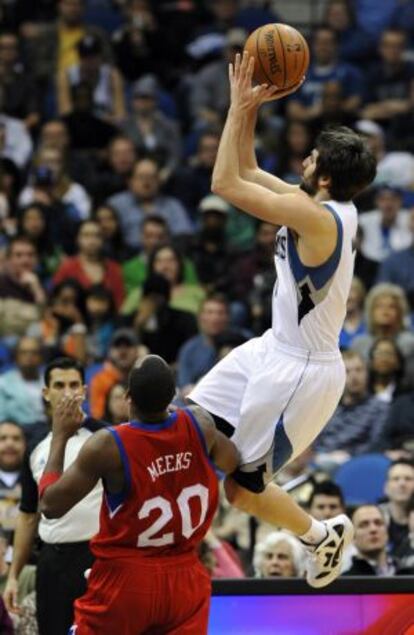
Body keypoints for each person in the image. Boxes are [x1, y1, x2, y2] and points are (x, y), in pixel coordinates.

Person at [189, 51, 377, 587]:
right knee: (191, 424)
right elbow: (246, 170)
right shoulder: (320, 205)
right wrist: (248, 108)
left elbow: (224, 183)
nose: (303, 161)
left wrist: (233, 109)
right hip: (271, 348)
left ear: (322, 175)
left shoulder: (316, 219)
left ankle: (321, 535)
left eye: (312, 158)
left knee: (242, 490)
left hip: (302, 373)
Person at [39, 355, 239, 634]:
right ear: (172, 396)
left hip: (126, 580)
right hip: (185, 576)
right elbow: (232, 462)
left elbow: (50, 505)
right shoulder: (200, 424)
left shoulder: (108, 445)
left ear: (128, 397)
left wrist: (60, 436)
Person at [3, 357, 104, 635]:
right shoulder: (35, 447)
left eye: (74, 385)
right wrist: (13, 575)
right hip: (52, 562)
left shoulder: (106, 436)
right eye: (59, 385)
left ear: (84, 390)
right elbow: (27, 515)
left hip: (99, 559)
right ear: (46, 393)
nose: (68, 392)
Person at [314, 351, 390, 465]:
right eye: (347, 371)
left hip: (356, 462)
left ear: (367, 373)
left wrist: (349, 455)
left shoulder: (380, 407)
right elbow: (315, 442)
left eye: (359, 370)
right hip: (320, 460)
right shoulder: (327, 407)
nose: (354, 376)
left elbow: (376, 443)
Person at [53, 220, 125, 309]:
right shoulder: (67, 267)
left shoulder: (114, 268)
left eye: (97, 236)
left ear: (103, 240)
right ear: (77, 239)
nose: (92, 241)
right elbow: (55, 300)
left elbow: (120, 303)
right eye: (86, 235)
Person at [0, 337, 45, 427]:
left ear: (41, 357)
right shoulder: (3, 383)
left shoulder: (49, 382)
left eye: (34, 353)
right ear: (16, 357)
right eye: (24, 352)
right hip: (19, 432)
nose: (29, 356)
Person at [343, 505, 396, 576]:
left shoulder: (406, 571)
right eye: (364, 525)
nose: (373, 529)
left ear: (387, 531)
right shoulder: (345, 581)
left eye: (378, 523)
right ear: (352, 537)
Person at [380, 460, 414, 554]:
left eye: (408, 479)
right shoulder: (375, 517)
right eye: (395, 479)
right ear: (386, 487)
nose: (402, 484)